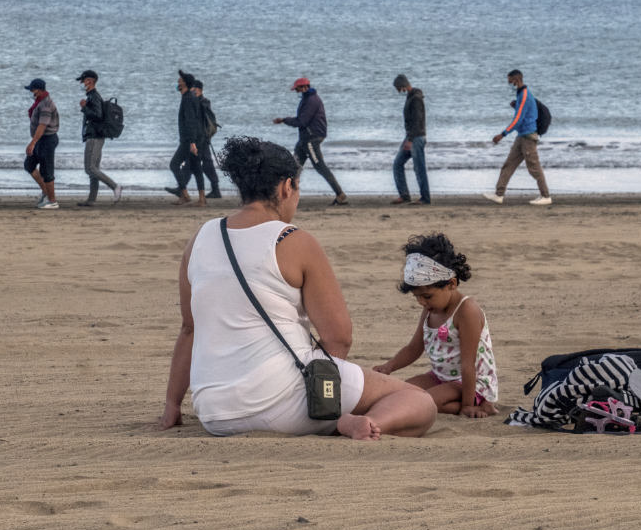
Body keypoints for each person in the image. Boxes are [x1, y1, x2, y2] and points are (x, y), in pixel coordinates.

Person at [157, 136, 436, 440]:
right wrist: (323, 394)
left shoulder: (200, 239)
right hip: (282, 400)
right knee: (419, 402)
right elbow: (338, 337)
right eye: (297, 189)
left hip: (215, 412)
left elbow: (189, 329)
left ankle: (335, 417)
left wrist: (172, 404)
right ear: (286, 187)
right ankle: (352, 421)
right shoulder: (293, 240)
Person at [373, 233, 498, 417]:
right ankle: (465, 404)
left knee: (423, 402)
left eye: (427, 296)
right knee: (400, 394)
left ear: (451, 284)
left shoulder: (466, 311)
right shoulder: (431, 309)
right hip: (439, 377)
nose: (421, 302)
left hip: (469, 382)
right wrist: (389, 366)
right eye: (417, 297)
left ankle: (481, 403)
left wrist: (467, 405)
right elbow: (414, 348)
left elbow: (468, 365)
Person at [273, 77, 348, 206]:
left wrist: (284, 120)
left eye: (298, 89)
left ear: (305, 87)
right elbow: (301, 120)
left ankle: (340, 194)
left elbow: (302, 121)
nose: (297, 91)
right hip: (305, 139)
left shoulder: (311, 101)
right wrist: (285, 120)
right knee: (294, 168)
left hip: (311, 139)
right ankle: (287, 196)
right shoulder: (307, 99)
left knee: (320, 167)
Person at [483, 69, 551, 206]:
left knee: (534, 168)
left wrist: (502, 134)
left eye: (510, 81)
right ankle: (499, 195)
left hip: (528, 137)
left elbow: (518, 119)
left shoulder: (524, 95)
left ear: (516, 79)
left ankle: (545, 196)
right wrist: (516, 106)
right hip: (521, 136)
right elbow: (524, 114)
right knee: (508, 165)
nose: (509, 83)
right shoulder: (520, 94)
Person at [169, 79, 222, 199]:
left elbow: (200, 120)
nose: (191, 91)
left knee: (204, 163)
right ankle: (183, 188)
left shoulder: (203, 101)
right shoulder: (197, 100)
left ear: (198, 89)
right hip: (198, 138)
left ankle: (214, 189)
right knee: (192, 163)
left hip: (201, 139)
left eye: (193, 89)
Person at [76, 70, 122, 207]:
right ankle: (91, 199)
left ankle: (115, 187)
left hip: (95, 136)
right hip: (95, 136)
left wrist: (84, 108)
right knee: (93, 169)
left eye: (83, 80)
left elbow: (98, 115)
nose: (81, 83)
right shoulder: (92, 96)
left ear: (89, 81)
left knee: (90, 168)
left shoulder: (94, 97)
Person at [168, 70, 206, 206]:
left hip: (189, 140)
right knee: (196, 167)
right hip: (194, 139)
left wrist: (192, 143)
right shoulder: (189, 97)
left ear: (185, 84)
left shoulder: (188, 99)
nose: (178, 81)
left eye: (180, 80)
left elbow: (191, 121)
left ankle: (185, 195)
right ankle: (202, 199)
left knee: (174, 164)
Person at [390, 74, 430, 205]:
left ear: (403, 86)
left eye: (398, 88)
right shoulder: (411, 97)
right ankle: (404, 195)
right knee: (397, 164)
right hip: (411, 136)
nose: (398, 91)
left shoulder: (416, 99)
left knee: (419, 168)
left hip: (416, 137)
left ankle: (425, 198)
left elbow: (417, 121)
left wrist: (410, 140)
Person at [24, 78, 60, 210]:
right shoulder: (39, 102)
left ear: (38, 90)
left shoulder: (46, 105)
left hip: (47, 140)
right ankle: (45, 191)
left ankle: (52, 201)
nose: (30, 92)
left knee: (47, 171)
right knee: (29, 165)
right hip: (40, 140)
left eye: (32, 90)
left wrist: (32, 143)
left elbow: (42, 125)